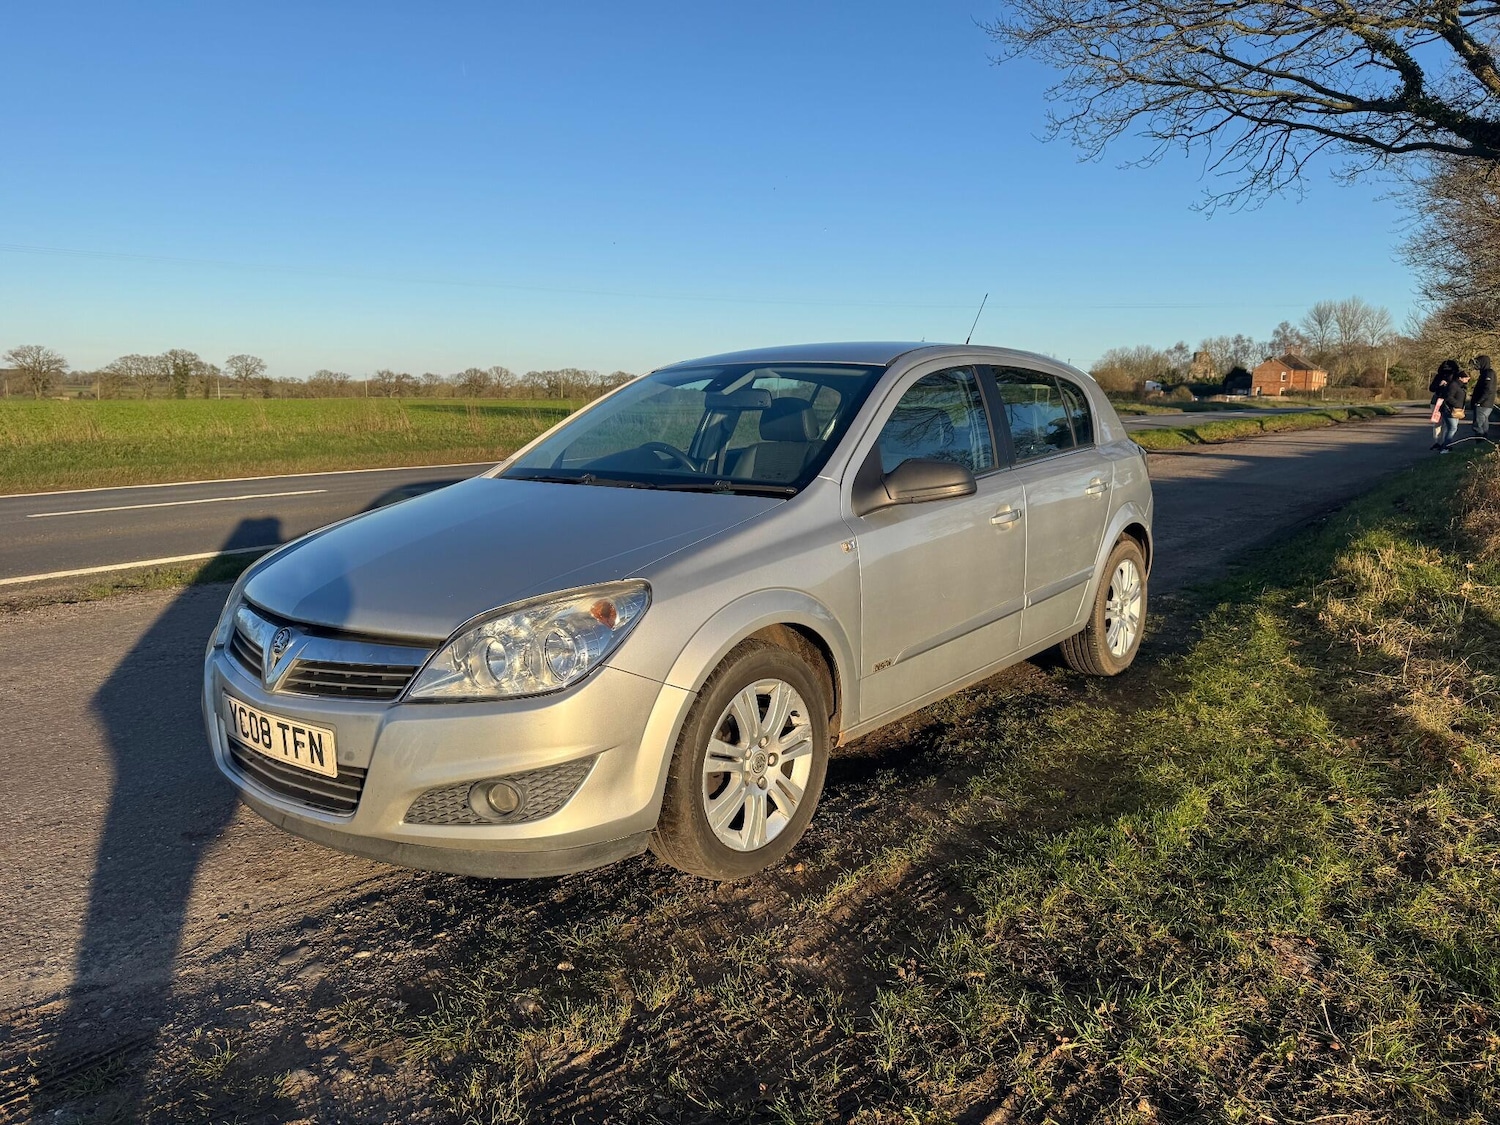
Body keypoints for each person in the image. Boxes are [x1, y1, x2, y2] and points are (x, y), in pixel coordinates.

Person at [1438, 367, 1470, 453]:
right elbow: (1448, 397)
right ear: (1460, 378)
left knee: (1451, 428)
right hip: (1449, 410)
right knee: (1452, 428)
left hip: (1455, 410)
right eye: (1466, 378)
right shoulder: (1453, 385)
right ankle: (1445, 447)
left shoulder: (1460, 386)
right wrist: (1458, 404)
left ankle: (1446, 446)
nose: (1467, 380)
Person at [1430, 359, 1460, 447]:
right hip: (1437, 402)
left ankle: (1445, 442)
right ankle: (1437, 442)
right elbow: (1431, 388)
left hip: (1449, 402)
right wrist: (1439, 384)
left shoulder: (1455, 377)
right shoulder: (1439, 376)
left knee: (1448, 423)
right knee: (1437, 423)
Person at [1470, 355, 1496, 442]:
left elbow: (1488, 389)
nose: (1476, 365)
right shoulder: (1486, 373)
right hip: (1485, 404)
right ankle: (1483, 443)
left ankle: (1480, 444)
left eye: (1478, 363)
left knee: (1478, 425)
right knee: (1483, 424)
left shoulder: (1488, 373)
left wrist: (1479, 401)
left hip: (1483, 404)